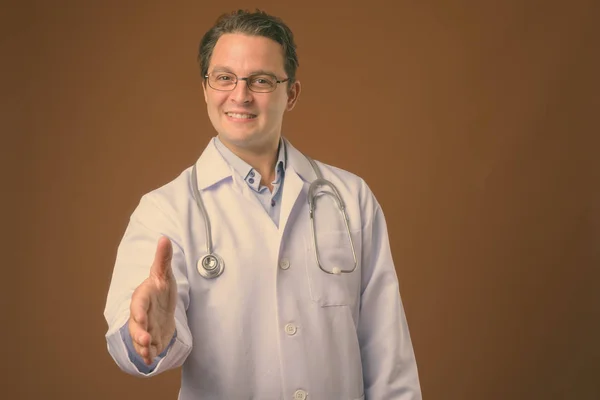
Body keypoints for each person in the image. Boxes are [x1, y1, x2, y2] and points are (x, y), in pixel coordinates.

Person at [104, 9, 422, 400]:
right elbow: (135, 334)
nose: (240, 95)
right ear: (205, 89)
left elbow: (389, 358)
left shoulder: (351, 198)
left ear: (291, 94)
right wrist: (153, 334)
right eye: (224, 78)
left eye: (261, 80)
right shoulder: (164, 210)